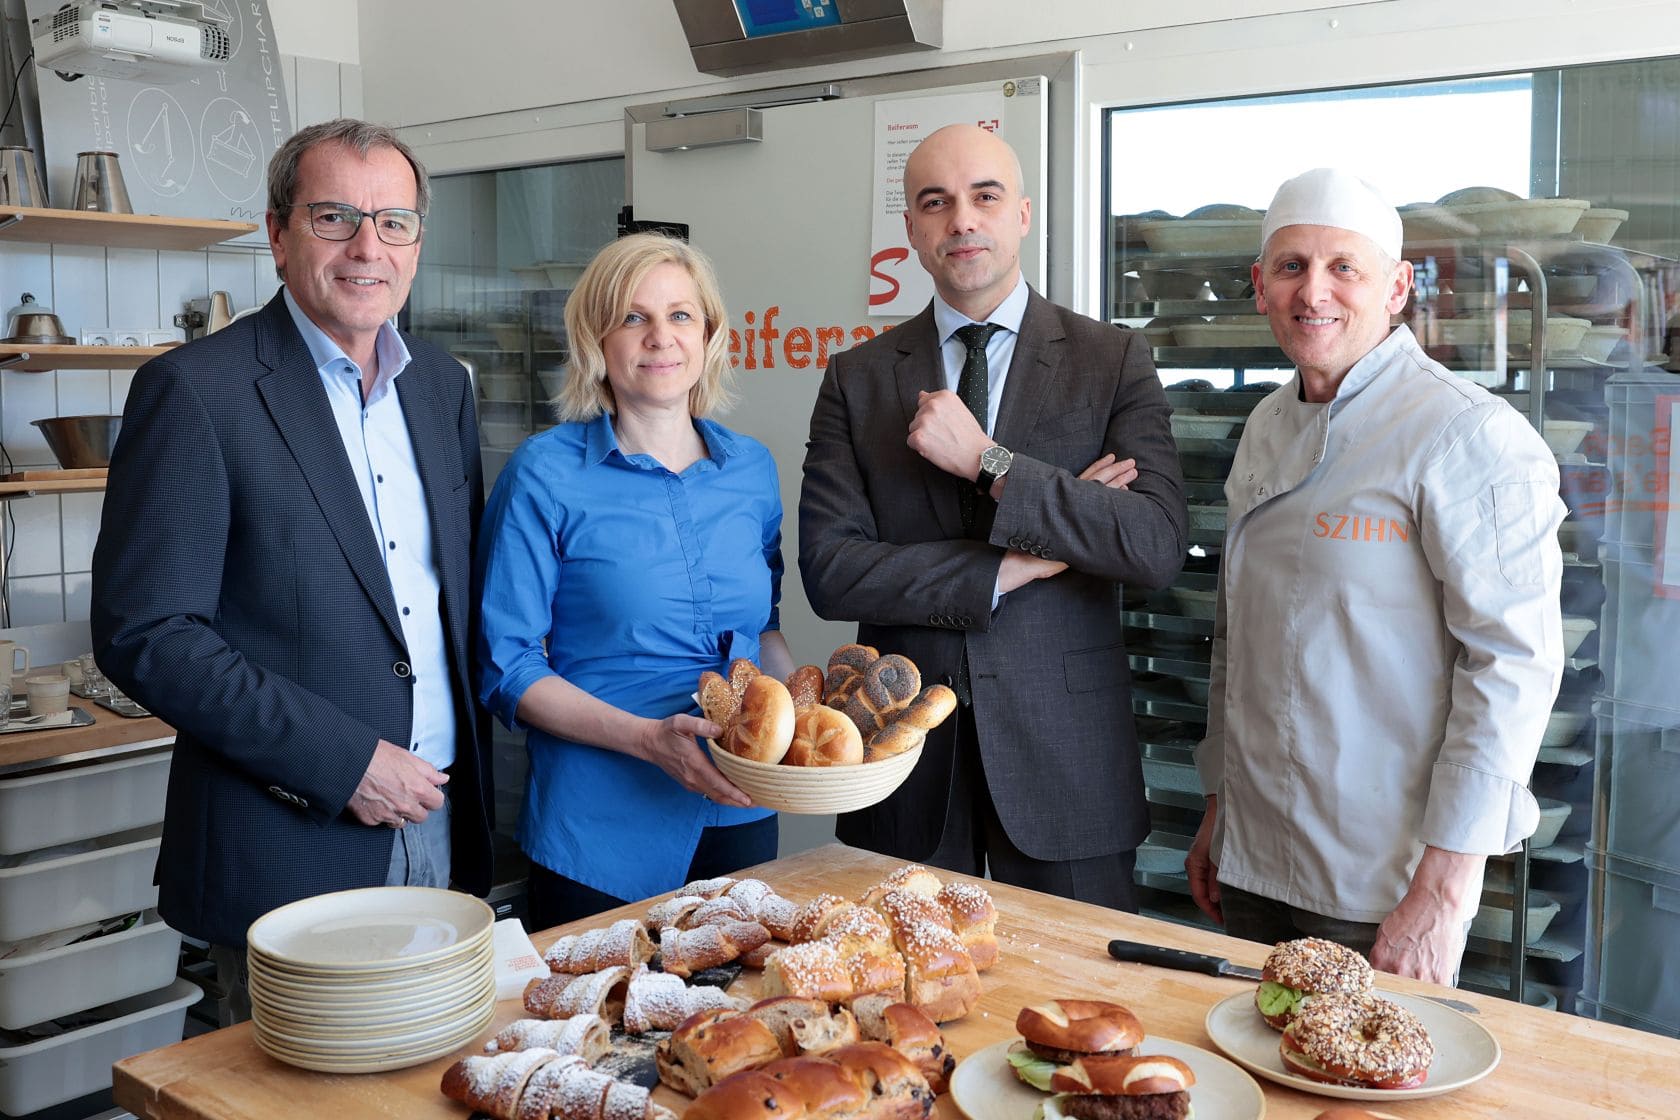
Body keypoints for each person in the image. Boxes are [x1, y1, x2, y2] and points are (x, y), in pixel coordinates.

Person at [91, 119, 494, 1010]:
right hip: (291, 831)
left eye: (394, 223)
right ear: (277, 234)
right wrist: (344, 761)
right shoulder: (196, 391)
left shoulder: (441, 386)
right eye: (334, 218)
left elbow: (445, 605)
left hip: (441, 816)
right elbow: (148, 633)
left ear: (418, 245)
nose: (367, 247)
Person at [1185, 167, 1566, 984]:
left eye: (1342, 268)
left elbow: (1515, 668)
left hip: (1380, 883)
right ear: (1259, 287)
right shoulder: (1265, 424)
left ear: (1397, 289)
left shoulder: (1466, 434)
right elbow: (1241, 636)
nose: (1312, 291)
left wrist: (1442, 891)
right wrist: (1221, 806)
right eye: (1290, 267)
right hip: (1255, 858)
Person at [799, 124, 1188, 910]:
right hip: (904, 764)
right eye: (935, 204)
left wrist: (993, 465)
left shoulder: (1110, 361)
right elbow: (832, 572)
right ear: (910, 231)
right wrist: (1012, 566)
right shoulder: (858, 378)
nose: (961, 221)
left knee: (1077, 1009)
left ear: (1023, 214)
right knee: (903, 1014)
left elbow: (1152, 544)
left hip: (1067, 765)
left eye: (984, 197)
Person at [477, 233, 790, 929]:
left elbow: (763, 629)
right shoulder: (544, 473)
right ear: (596, 340)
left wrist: (805, 724)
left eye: (681, 315)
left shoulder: (752, 470)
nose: (661, 338)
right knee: (603, 1030)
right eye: (633, 317)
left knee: (741, 1026)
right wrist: (647, 740)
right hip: (599, 832)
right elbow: (509, 667)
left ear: (709, 335)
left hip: (742, 810)